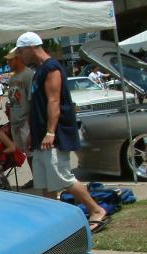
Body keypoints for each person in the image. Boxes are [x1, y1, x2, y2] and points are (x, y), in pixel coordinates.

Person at [16, 32, 108, 232]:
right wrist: (33, 133)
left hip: (54, 136)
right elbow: (38, 106)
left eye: (21, 51)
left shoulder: (52, 68)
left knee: (62, 177)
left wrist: (50, 132)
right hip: (40, 136)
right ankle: (54, 222)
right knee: (44, 183)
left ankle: (96, 210)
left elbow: (54, 101)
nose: (19, 56)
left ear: (31, 48)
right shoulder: (39, 71)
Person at [5, 46, 35, 189]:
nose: (8, 63)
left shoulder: (29, 75)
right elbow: (12, 99)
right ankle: (35, 177)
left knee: (32, 152)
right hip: (15, 120)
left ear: (18, 58)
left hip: (26, 121)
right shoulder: (12, 78)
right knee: (26, 152)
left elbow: (32, 100)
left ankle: (38, 178)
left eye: (10, 60)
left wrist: (31, 122)